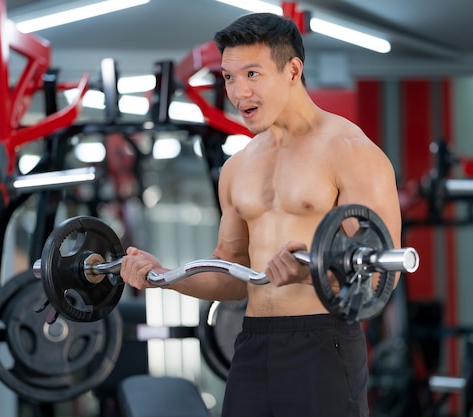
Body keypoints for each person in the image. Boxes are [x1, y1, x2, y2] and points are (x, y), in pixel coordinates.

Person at [120, 12, 402, 417]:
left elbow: (377, 277)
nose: (238, 92)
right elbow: (232, 273)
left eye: (253, 74)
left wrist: (312, 271)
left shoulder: (351, 153)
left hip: (323, 343)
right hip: (253, 342)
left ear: (292, 70)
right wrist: (164, 277)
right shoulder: (239, 166)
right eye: (229, 77)